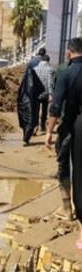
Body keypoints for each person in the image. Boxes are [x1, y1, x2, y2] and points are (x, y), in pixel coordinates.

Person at [46, 38, 82, 245]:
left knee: (66, 168)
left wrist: (49, 131)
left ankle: (68, 210)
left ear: (69, 53)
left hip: (71, 128)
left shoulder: (66, 73)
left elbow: (56, 106)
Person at [18, 48, 47, 145]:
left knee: (27, 118)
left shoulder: (31, 63)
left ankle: (26, 135)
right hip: (36, 95)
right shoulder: (43, 63)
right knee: (34, 115)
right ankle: (29, 135)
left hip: (26, 97)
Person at [35, 54, 56, 134]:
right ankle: (42, 126)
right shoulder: (50, 69)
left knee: (36, 110)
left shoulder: (35, 69)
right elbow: (50, 82)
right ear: (48, 61)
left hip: (36, 93)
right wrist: (51, 94)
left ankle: (35, 125)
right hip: (46, 93)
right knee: (44, 110)